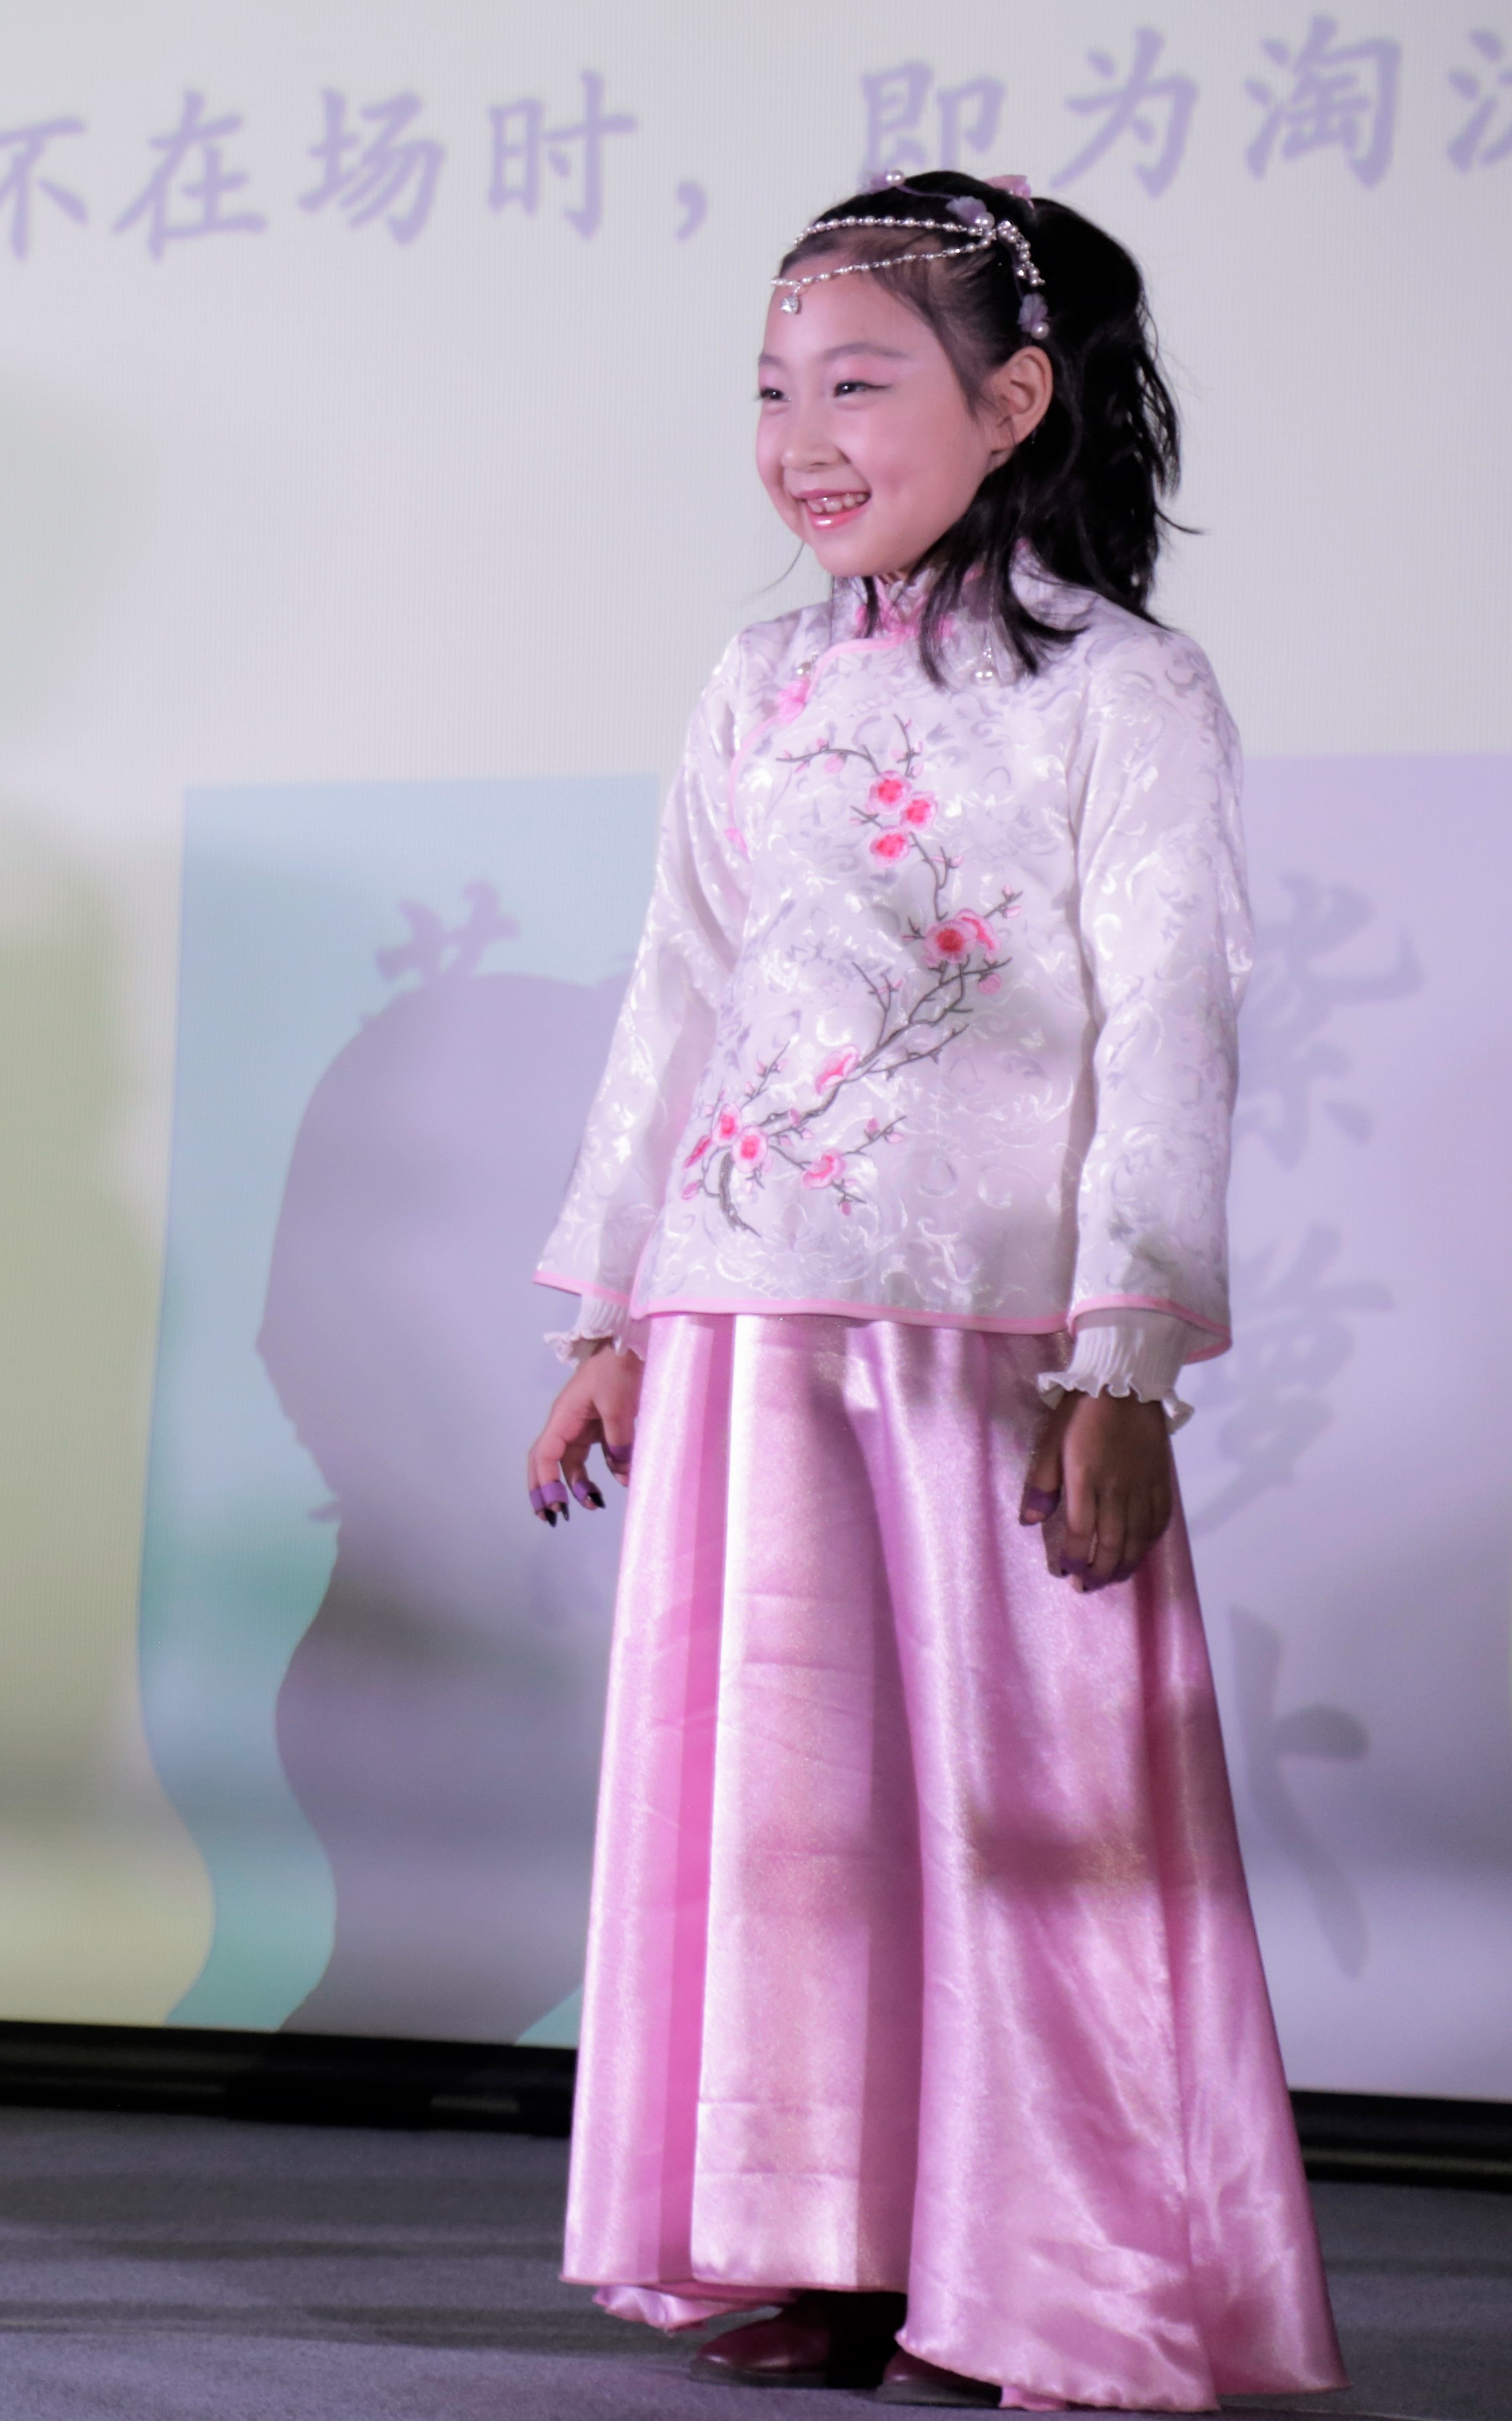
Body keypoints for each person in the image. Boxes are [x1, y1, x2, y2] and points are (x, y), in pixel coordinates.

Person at [522, 175, 1340, 2409]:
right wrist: (610, 1316)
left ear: (1018, 399)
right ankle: (821, 2245)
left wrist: (1127, 1360)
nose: (802, 440)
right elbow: (679, 989)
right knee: (785, 1827)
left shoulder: (1127, 693)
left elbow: (1173, 1019)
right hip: (748, 1324)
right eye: (772, 391)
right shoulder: (758, 682)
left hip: (988, 1340)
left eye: (859, 385)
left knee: (1018, 1821)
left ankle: (1063, 2277)